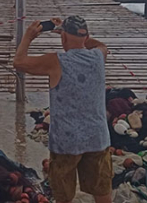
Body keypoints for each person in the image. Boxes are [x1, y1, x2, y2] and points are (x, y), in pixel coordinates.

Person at [13, 15, 112, 203]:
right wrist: (78, 36)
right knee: (102, 190)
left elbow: (18, 62)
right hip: (97, 138)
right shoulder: (99, 56)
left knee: (63, 195)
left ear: (63, 37)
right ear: (86, 36)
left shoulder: (55, 61)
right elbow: (100, 45)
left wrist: (28, 36)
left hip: (66, 142)